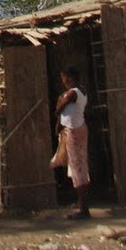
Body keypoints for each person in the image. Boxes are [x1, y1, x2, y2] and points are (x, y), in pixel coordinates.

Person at [51, 66, 90, 218]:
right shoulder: (81, 91)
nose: (62, 81)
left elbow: (59, 108)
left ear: (69, 78)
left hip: (74, 131)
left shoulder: (73, 92)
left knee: (77, 168)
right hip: (77, 129)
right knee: (79, 166)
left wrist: (60, 101)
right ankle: (82, 204)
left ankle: (84, 210)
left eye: (63, 78)